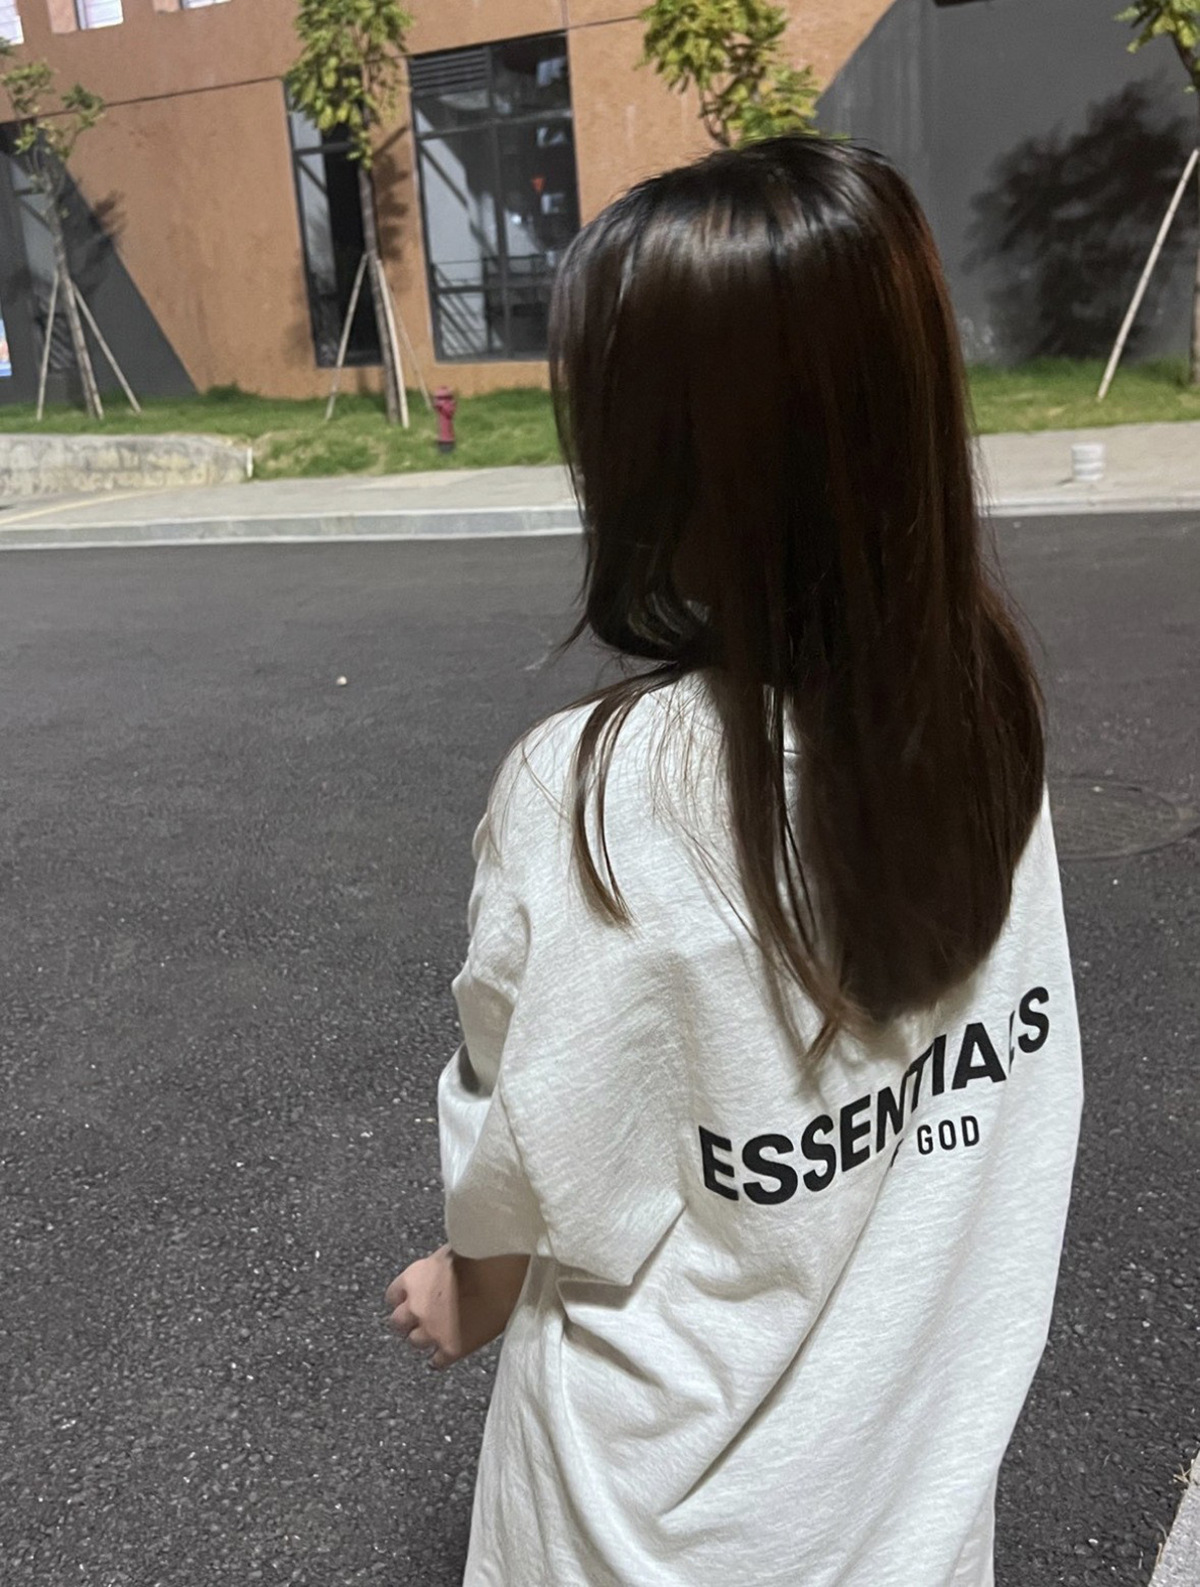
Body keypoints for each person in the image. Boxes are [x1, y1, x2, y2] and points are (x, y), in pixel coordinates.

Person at [384, 135, 1083, 1587]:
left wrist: (472, 1281)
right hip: (913, 1508)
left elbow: (538, 1149)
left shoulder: (600, 793)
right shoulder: (982, 718)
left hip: (646, 1526)